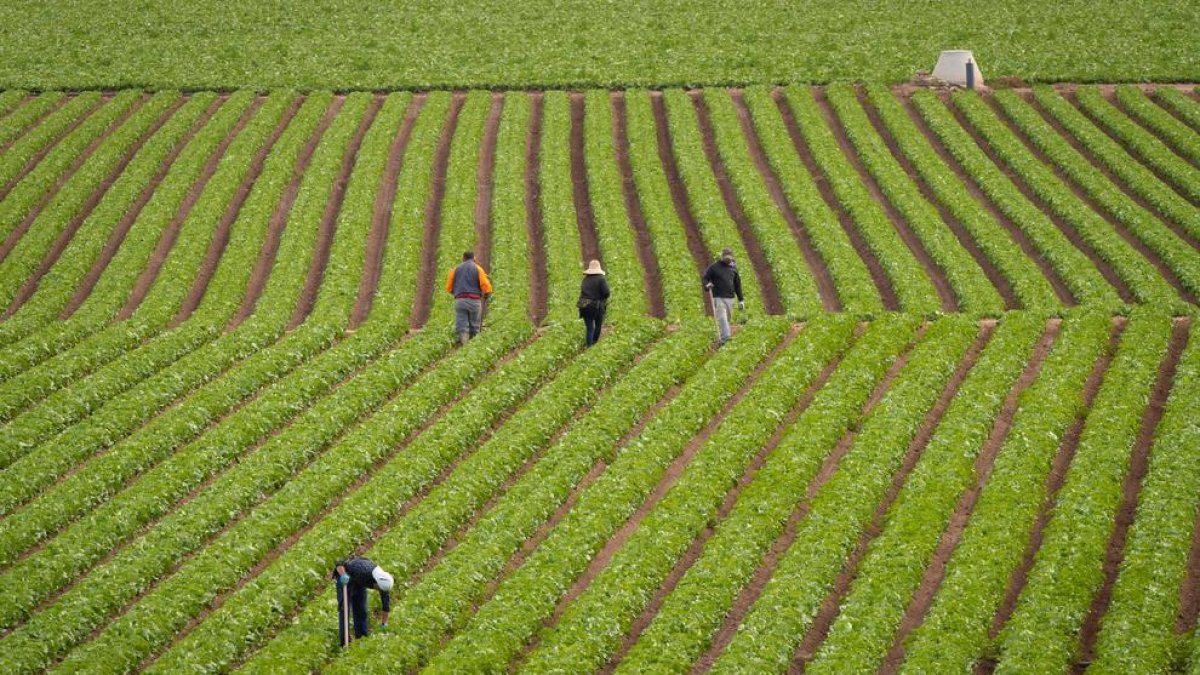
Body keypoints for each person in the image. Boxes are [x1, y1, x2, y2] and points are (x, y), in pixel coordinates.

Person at [333, 556, 394, 642]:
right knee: (344, 610)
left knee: (361, 609)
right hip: (346, 579)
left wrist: (384, 623)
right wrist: (343, 575)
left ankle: (361, 639)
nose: (379, 590)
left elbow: (386, 605)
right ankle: (344, 642)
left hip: (359, 582)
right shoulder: (362, 570)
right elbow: (339, 563)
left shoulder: (384, 584)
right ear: (376, 583)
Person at [445, 251, 493, 345]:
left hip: (460, 301)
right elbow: (485, 284)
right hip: (474, 301)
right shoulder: (478, 269)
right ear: (474, 258)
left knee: (462, 323)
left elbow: (449, 287)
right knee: (475, 324)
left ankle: (464, 343)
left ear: (463, 258)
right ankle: (474, 345)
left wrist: (457, 293)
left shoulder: (455, 269)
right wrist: (487, 293)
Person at [702, 247, 744, 345]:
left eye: (729, 258)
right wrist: (707, 285)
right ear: (722, 256)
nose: (728, 259)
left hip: (730, 298)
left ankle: (724, 335)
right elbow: (705, 278)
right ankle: (726, 339)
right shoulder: (714, 267)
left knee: (728, 318)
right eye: (726, 257)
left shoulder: (733, 269)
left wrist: (741, 299)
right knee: (722, 317)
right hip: (718, 297)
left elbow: (737, 285)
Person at [577, 259, 610, 347]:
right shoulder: (601, 279)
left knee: (590, 328)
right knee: (598, 325)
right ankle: (594, 344)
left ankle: (589, 347)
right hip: (596, 306)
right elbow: (606, 292)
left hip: (584, 305)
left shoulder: (585, 279)